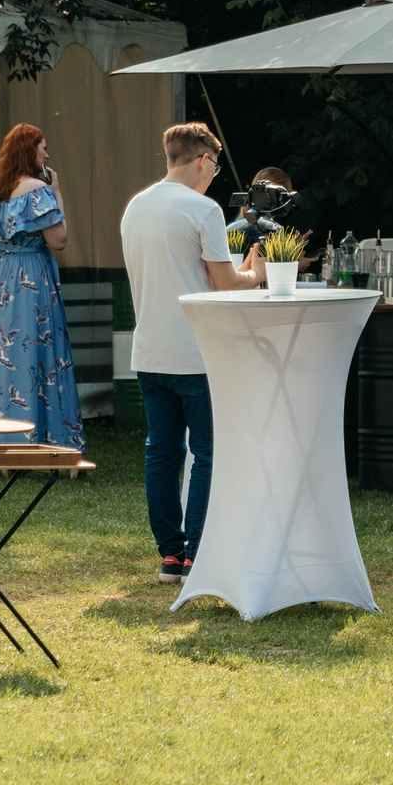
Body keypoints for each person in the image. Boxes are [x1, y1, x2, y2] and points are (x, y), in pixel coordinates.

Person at [120, 123, 266, 583]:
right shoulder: (203, 210)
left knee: (161, 452)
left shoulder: (134, 207)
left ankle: (170, 555)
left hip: (148, 350)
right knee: (206, 452)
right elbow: (225, 287)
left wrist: (237, 272)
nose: (215, 173)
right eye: (215, 165)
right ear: (203, 160)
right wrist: (256, 272)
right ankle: (197, 553)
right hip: (196, 351)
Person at [0, 123, 81, 448]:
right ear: (29, 152)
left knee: (2, 355)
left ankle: (1, 439)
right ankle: (45, 441)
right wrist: (57, 193)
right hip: (30, 277)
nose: (47, 153)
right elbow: (59, 240)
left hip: (0, 279)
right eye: (42, 147)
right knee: (39, 352)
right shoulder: (38, 190)